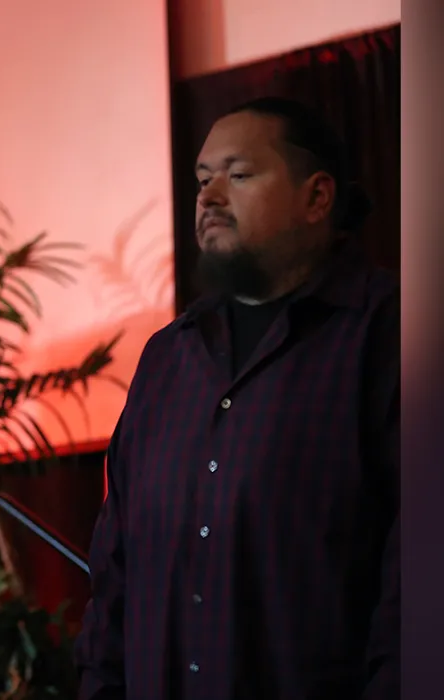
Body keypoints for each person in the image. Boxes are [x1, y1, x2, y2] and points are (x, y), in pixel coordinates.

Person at [75, 97, 399, 699]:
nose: (209, 196)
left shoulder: (390, 336)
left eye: (239, 175)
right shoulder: (168, 357)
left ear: (317, 197)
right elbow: (116, 563)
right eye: (202, 179)